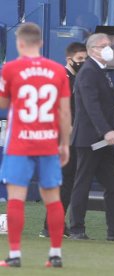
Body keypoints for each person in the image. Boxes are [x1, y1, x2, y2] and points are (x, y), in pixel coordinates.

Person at [0, 22, 71, 267]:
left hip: (19, 143)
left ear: (19, 44)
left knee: (16, 198)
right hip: (48, 142)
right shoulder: (58, 71)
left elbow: (3, 103)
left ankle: (15, 255)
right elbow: (64, 112)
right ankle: (55, 254)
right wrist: (65, 144)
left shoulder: (9, 69)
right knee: (53, 198)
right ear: (40, 43)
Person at [69, 33, 114, 241]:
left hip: (104, 141)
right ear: (92, 50)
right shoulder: (88, 73)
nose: (109, 49)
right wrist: (106, 131)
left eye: (110, 45)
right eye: (104, 46)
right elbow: (92, 107)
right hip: (88, 140)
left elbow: (113, 106)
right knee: (82, 183)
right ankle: (76, 229)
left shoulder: (102, 73)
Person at [39, 42, 87, 238]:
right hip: (63, 137)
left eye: (85, 59)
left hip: (70, 135)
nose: (83, 63)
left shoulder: (76, 79)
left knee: (67, 182)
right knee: (65, 182)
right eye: (79, 60)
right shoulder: (63, 79)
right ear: (69, 60)